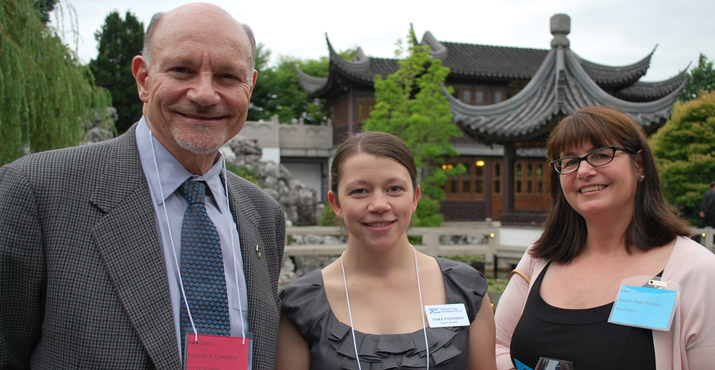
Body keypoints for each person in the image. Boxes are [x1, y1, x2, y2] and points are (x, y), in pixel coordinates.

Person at [0, 3, 285, 369]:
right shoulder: (39, 191)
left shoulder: (262, 213)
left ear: (251, 86)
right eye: (182, 70)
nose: (204, 94)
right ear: (143, 78)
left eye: (228, 76)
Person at [494, 106, 715, 370]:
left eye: (600, 154)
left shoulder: (697, 270)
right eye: (570, 161)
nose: (584, 171)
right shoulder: (540, 258)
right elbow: (496, 345)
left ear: (639, 164)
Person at [276, 131, 497, 370]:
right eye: (360, 191)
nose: (379, 204)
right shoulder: (301, 306)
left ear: (415, 198)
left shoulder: (465, 288)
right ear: (336, 203)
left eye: (394, 189)